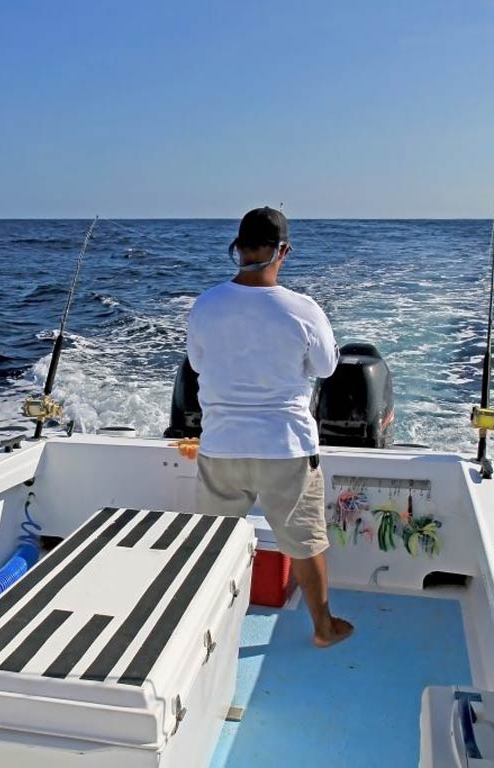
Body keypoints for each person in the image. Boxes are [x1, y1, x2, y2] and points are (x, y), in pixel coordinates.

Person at [186, 206, 353, 648]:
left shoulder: (206, 304)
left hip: (221, 447)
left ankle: (199, 632)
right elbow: (327, 367)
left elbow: (198, 363)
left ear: (237, 249)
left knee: (211, 542)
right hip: (286, 449)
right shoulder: (304, 309)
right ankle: (323, 628)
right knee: (304, 541)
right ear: (284, 250)